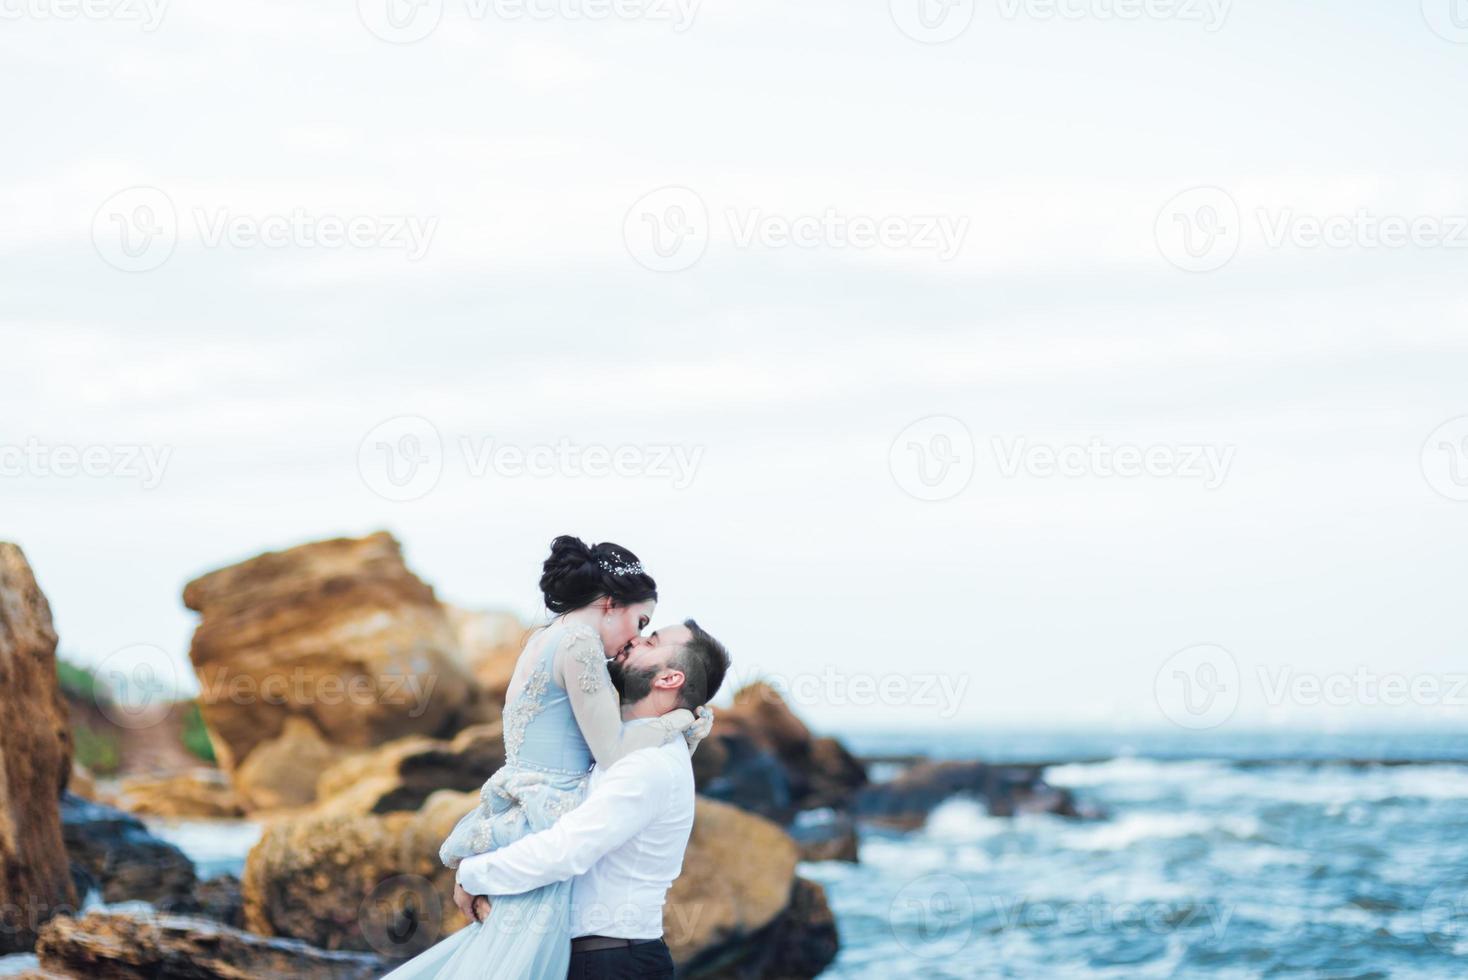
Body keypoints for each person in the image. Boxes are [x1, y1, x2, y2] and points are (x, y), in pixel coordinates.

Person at [381, 536, 713, 979]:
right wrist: (681, 721)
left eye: (649, 633)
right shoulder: (580, 645)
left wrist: (477, 873)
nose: (633, 639)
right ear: (611, 603)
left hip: (531, 812)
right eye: (641, 622)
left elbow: (578, 822)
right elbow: (611, 751)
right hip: (549, 813)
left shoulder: (548, 639)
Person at [457, 619, 731, 980]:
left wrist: (472, 874)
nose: (634, 639)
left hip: (611, 963)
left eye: (651, 641)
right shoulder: (623, 747)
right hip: (596, 957)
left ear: (669, 679)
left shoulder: (649, 762)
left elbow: (567, 850)